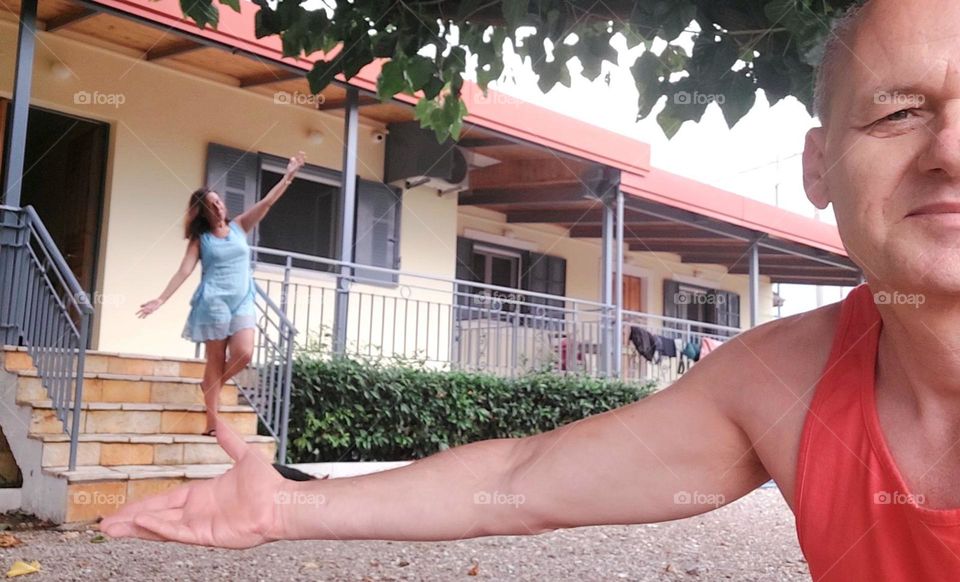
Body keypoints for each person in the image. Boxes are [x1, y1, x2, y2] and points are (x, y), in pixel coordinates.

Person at [104, 0, 960, 578]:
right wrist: (289, 510)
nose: (948, 153)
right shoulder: (783, 383)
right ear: (819, 166)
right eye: (897, 113)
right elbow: (523, 473)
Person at [136, 151, 306, 435]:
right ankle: (212, 423)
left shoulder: (240, 226)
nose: (217, 206)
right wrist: (161, 299)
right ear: (203, 212)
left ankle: (210, 385)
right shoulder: (200, 239)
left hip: (241, 300)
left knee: (244, 354)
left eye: (218, 201)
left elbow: (267, 202)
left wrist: (288, 176)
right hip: (213, 303)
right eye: (211, 205)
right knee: (214, 361)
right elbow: (184, 271)